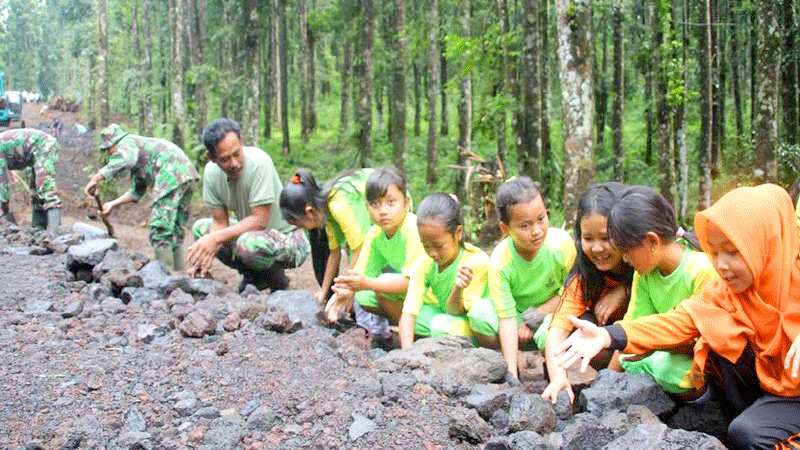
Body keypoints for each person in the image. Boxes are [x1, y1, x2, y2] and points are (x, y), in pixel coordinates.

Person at [556, 184, 800, 450]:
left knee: (749, 434)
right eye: (715, 253)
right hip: (776, 392)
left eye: (733, 251)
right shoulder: (728, 290)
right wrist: (608, 335)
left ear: (767, 243)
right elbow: (682, 320)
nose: (722, 266)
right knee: (720, 346)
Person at [601, 185, 717, 399]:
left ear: (652, 242)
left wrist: (654, 346)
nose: (625, 260)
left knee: (666, 368)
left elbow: (706, 343)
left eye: (626, 252)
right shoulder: (644, 274)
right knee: (628, 358)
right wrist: (604, 386)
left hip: (696, 358)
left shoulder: (702, 271)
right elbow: (632, 327)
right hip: (661, 348)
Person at [188, 118, 309, 291]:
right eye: (225, 159)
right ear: (212, 158)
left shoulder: (259, 163)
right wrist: (204, 254)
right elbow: (220, 222)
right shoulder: (211, 173)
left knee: (248, 244)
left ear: (241, 143)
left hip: (289, 238)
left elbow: (259, 221)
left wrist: (215, 239)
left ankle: (278, 283)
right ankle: (255, 278)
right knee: (201, 229)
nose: (234, 163)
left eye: (237, 154)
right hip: (254, 236)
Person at [541, 182, 633, 404]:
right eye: (588, 239)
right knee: (575, 328)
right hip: (605, 347)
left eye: (605, 237)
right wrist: (558, 378)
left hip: (638, 345)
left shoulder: (643, 267)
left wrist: (624, 289)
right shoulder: (583, 274)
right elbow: (558, 328)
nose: (597, 248)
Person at [279, 168, 389, 338]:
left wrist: (345, 293)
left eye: (299, 224)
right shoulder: (325, 211)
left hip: (389, 207)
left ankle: (375, 333)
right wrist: (323, 294)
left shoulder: (338, 205)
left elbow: (359, 249)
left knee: (363, 274)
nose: (301, 229)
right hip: (372, 230)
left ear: (309, 212)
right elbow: (334, 254)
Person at [489, 176, 576, 380]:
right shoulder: (500, 261)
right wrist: (510, 373)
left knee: (551, 330)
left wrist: (536, 315)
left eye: (541, 219)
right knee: (480, 316)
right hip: (515, 316)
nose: (536, 231)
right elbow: (507, 318)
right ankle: (507, 366)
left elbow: (572, 294)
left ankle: (555, 373)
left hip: (554, 311)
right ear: (505, 229)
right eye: (525, 226)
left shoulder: (561, 245)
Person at [84, 123, 199, 270]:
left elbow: (126, 159)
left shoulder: (127, 142)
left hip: (170, 173)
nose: (109, 154)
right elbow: (136, 193)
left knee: (160, 227)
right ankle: (179, 273)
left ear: (115, 144)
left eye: (109, 149)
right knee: (175, 228)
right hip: (185, 174)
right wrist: (112, 204)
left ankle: (165, 276)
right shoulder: (139, 158)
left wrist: (96, 178)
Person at [397, 193, 497, 349]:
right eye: (426, 245)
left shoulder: (475, 261)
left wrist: (458, 288)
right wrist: (406, 352)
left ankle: (490, 352)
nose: (432, 253)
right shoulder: (425, 263)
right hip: (452, 319)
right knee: (413, 319)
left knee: (442, 325)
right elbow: (409, 312)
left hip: (479, 325)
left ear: (458, 233)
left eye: (438, 246)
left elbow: (457, 311)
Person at [329, 167, 426, 325]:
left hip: (431, 296)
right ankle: (405, 330)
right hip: (412, 297)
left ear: (406, 203)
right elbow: (361, 273)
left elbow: (412, 282)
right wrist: (341, 294)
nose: (383, 211)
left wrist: (367, 283)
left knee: (380, 284)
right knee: (364, 295)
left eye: (390, 202)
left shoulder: (412, 228)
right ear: (367, 208)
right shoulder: (375, 233)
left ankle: (413, 334)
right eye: (375, 204)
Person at [0, 128, 62, 233]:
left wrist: (3, 210)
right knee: (35, 190)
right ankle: (38, 229)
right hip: (33, 152)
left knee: (44, 187)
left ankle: (54, 233)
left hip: (44, 145)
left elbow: (2, 186)